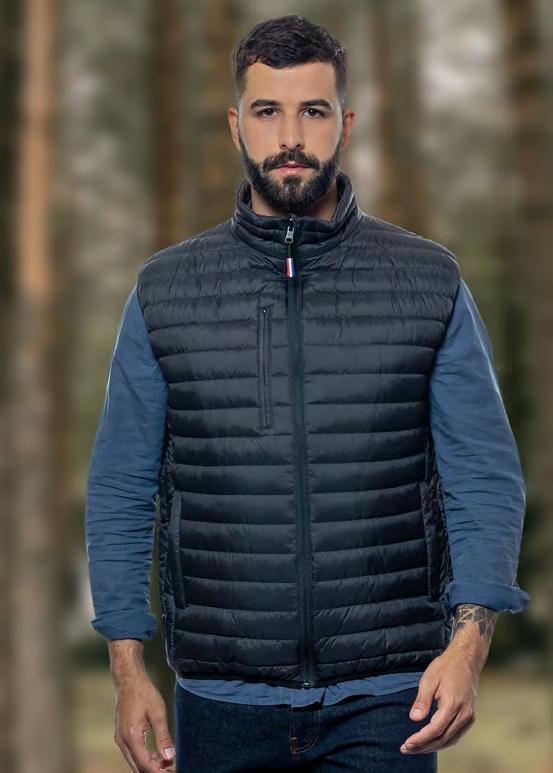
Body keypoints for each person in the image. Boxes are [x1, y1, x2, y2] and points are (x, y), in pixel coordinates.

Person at [85, 13, 531, 772]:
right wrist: (129, 671)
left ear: (344, 124)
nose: (290, 136)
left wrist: (467, 647)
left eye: (313, 111)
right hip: (221, 700)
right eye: (267, 111)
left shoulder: (428, 281)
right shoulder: (165, 291)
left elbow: (482, 478)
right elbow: (121, 488)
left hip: (390, 702)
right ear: (236, 126)